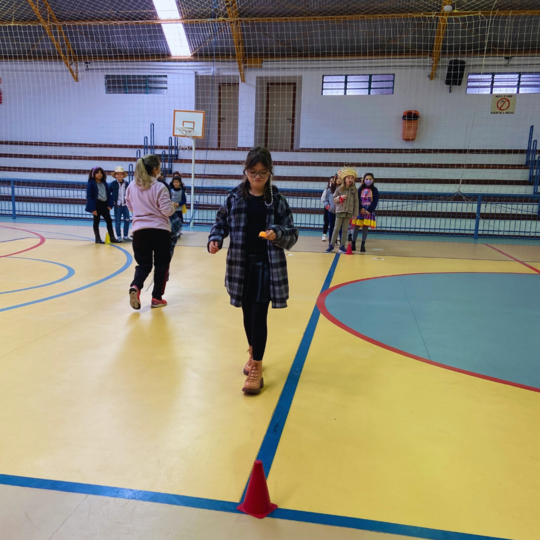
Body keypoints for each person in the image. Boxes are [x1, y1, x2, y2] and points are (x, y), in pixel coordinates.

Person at [208, 147, 299, 395]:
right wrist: (215, 238)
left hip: (267, 266)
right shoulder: (234, 198)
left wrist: (277, 233)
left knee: (259, 315)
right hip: (240, 266)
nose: (257, 177)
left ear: (270, 172)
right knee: (247, 314)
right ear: (245, 171)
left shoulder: (277, 200)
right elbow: (220, 223)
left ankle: (257, 366)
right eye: (252, 172)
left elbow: (292, 233)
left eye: (263, 172)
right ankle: (253, 351)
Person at [126, 154, 176, 309]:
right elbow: (167, 211)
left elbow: (130, 207)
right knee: (162, 264)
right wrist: (173, 206)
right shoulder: (159, 187)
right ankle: (156, 298)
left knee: (143, 264)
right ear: (155, 169)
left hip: (139, 231)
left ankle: (136, 286)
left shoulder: (131, 186)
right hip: (159, 231)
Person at [326, 168, 359, 254]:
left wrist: (355, 213)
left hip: (349, 212)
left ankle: (342, 246)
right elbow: (334, 199)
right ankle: (331, 245)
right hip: (340, 211)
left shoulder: (354, 190)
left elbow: (356, 202)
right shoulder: (339, 189)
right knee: (336, 228)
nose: (350, 179)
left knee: (345, 230)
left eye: (352, 178)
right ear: (344, 179)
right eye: (348, 178)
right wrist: (340, 197)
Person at [85, 167, 121, 244]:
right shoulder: (91, 184)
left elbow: (108, 194)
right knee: (96, 221)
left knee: (109, 220)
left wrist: (110, 204)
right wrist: (93, 209)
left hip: (104, 205)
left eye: (101, 173)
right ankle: (97, 238)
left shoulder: (104, 183)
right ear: (93, 174)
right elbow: (89, 197)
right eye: (97, 173)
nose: (100, 174)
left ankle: (112, 237)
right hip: (97, 205)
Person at [351, 172, 379, 252]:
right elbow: (357, 199)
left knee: (365, 227)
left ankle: (363, 245)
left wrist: (369, 210)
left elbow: (375, 201)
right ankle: (353, 243)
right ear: (364, 180)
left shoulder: (375, 190)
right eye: (366, 179)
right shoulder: (360, 189)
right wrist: (360, 208)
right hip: (360, 210)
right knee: (356, 226)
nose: (368, 180)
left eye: (370, 179)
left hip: (368, 211)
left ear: (373, 180)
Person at [110, 166, 131, 242]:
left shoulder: (127, 183)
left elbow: (129, 193)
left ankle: (125, 236)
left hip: (125, 205)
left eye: (121, 174)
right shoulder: (113, 184)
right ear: (115, 175)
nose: (119, 175)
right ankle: (119, 236)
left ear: (123, 175)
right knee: (118, 221)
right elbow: (108, 193)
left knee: (127, 220)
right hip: (118, 206)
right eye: (117, 174)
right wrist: (112, 201)